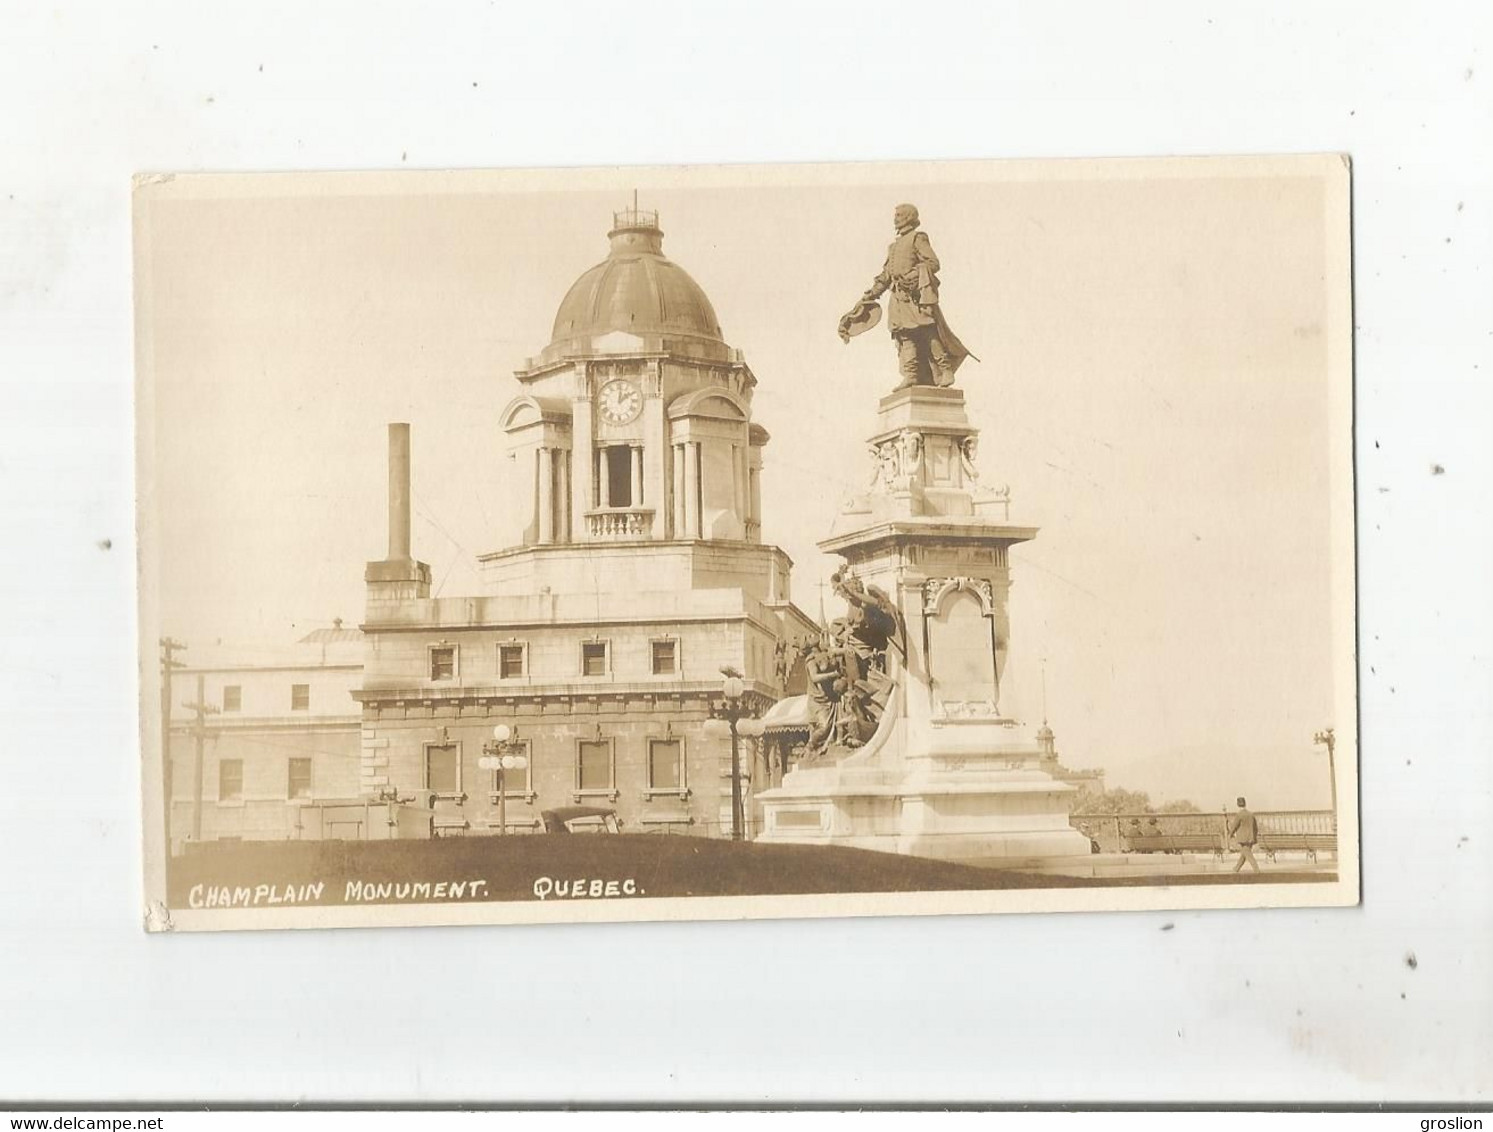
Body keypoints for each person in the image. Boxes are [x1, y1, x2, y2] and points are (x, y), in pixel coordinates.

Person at [841, 204, 973, 390]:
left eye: (899, 215)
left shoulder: (918, 238)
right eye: (895, 215)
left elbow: (933, 263)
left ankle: (945, 370)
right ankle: (911, 375)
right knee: (905, 335)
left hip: (915, 296)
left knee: (927, 331)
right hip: (898, 299)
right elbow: (886, 275)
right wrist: (872, 293)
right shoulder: (893, 246)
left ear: (909, 217)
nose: (895, 218)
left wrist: (912, 276)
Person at [1228, 796, 1261, 873]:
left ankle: (1256, 869)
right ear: (1245, 803)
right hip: (1251, 837)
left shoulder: (1239, 815)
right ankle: (1236, 868)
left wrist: (1230, 834)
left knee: (1248, 854)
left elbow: (1234, 826)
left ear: (1237, 804)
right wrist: (1254, 837)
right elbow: (1255, 827)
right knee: (1244, 854)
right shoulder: (1251, 814)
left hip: (1243, 838)